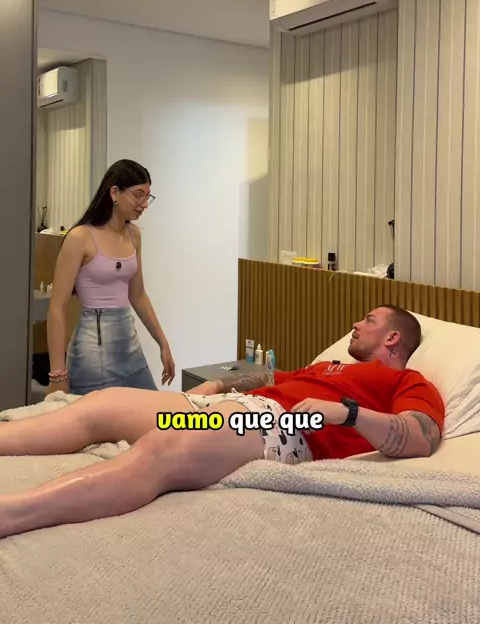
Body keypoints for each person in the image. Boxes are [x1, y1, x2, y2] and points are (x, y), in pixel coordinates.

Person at [0, 305, 444, 540]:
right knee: (102, 405)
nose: (356, 323)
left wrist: (348, 413)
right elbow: (270, 377)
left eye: (369, 319)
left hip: (282, 426)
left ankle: (13, 512)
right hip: (235, 406)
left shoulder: (408, 381)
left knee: (164, 444)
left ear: (392, 336)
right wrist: (215, 387)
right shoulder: (328, 366)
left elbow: (421, 437)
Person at [46, 159, 175, 396]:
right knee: (101, 418)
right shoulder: (80, 237)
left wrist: (162, 342)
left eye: (147, 196)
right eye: (138, 195)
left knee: (151, 410)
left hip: (129, 346)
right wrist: (58, 374)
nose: (144, 204)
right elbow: (57, 307)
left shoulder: (134, 235)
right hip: (93, 352)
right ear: (115, 193)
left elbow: (138, 295)